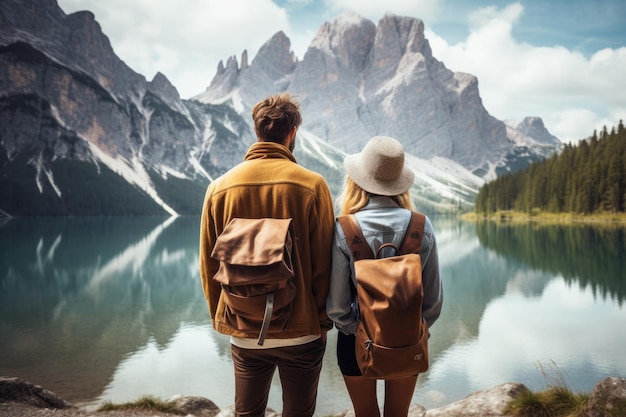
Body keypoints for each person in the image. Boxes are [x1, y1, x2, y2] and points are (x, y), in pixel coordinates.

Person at [199, 93, 335, 417]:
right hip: (302, 330)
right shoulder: (312, 185)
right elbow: (325, 264)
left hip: (244, 328)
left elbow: (208, 264)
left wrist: (225, 316)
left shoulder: (218, 188)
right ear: (292, 133)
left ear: (257, 131)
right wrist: (322, 321)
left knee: (247, 414)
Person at [326, 136, 443, 417]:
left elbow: (339, 308)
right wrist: (413, 329)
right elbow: (433, 303)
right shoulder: (421, 225)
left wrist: (363, 334)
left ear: (358, 180)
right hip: (408, 339)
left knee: (365, 414)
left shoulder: (345, 228)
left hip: (356, 342)